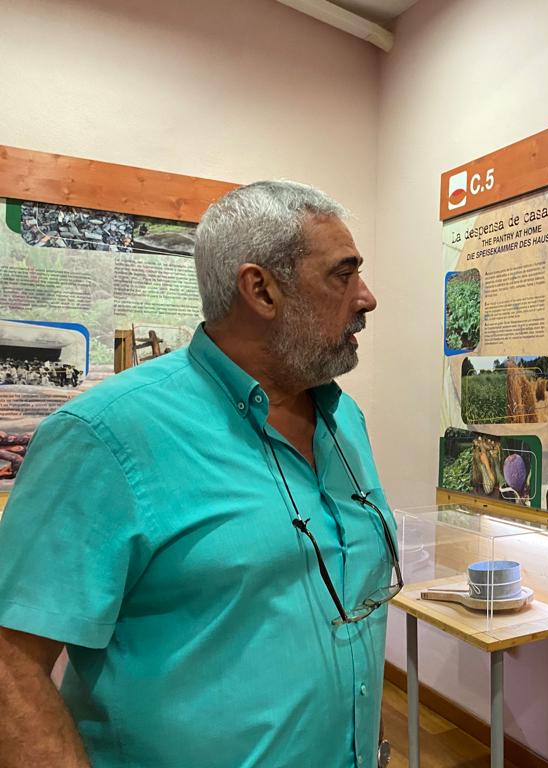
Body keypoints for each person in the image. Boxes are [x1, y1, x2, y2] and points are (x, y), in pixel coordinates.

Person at [0, 181, 399, 768]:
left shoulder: (344, 419)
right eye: (343, 274)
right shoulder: (105, 436)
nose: (366, 298)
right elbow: (11, 665)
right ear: (260, 289)